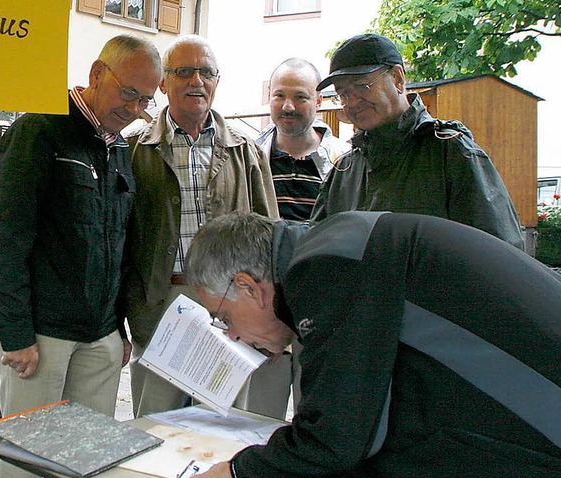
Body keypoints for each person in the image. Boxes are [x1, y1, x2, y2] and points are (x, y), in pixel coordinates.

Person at [183, 211, 561, 478]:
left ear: (248, 286)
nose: (230, 335)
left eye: (224, 318)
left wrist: (236, 473)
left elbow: (336, 436)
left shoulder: (324, 268)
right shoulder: (336, 245)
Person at [0, 35, 163, 478]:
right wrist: (15, 332)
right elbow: (2, 241)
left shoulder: (120, 147)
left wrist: (117, 330)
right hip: (39, 341)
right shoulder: (39, 130)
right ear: (98, 74)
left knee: (90, 468)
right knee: (23, 468)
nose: (136, 109)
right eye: (129, 94)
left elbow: (118, 246)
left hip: (99, 341)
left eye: (146, 100)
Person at [118, 34, 284, 419]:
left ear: (217, 81)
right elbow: (119, 242)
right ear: (163, 82)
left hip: (233, 307)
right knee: (157, 423)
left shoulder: (245, 150)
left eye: (206, 72)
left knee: (229, 421)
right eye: (184, 71)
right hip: (162, 306)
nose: (197, 80)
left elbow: (271, 234)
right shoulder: (131, 149)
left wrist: (271, 309)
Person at [311, 33, 525, 250]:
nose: (353, 102)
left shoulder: (450, 153)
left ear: (397, 78)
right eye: (344, 94)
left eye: (363, 86)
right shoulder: (344, 171)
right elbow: (318, 253)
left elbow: (503, 256)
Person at [256, 57, 346, 222]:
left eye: (300, 97)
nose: (288, 106)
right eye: (280, 95)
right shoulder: (250, 158)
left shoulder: (344, 161)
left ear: (318, 101)